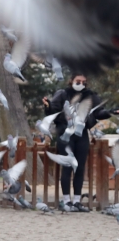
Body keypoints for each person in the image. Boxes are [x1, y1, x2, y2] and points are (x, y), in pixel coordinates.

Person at [42, 73, 119, 211]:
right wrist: (47, 106)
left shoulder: (90, 95)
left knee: (80, 167)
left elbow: (98, 113)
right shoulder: (62, 94)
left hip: (81, 133)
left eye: (84, 81)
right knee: (68, 166)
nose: (81, 84)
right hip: (65, 133)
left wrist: (111, 112)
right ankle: (66, 201)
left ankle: (77, 201)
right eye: (78, 81)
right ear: (71, 80)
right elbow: (52, 111)